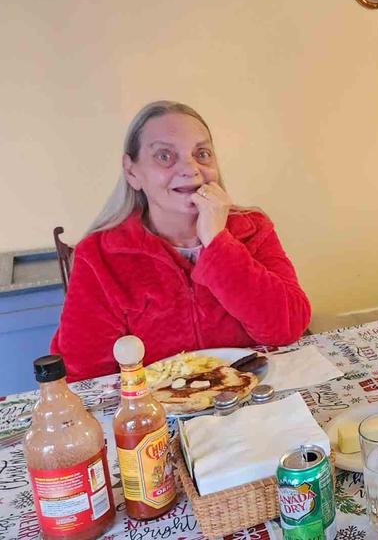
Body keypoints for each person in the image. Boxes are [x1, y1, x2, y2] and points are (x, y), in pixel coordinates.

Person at [51, 101, 311, 381]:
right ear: (132, 172)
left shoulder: (253, 228)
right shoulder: (100, 254)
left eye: (202, 153)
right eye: (164, 156)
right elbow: (83, 375)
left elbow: (287, 328)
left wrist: (218, 242)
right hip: (161, 415)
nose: (190, 169)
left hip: (254, 400)